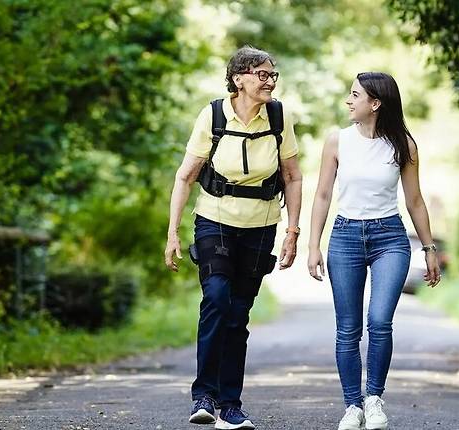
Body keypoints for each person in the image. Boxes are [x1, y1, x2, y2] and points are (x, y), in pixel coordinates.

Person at [165, 46, 302, 429]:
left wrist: (292, 231)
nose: (270, 81)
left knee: (238, 313)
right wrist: (172, 232)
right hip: (215, 218)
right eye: (262, 74)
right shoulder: (212, 115)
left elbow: (293, 176)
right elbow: (185, 176)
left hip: (261, 225)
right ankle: (204, 395)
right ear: (238, 78)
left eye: (273, 75)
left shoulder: (279, 117)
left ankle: (230, 405)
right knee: (216, 298)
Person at [307, 72, 441, 430]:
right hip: (345, 237)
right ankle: (352, 406)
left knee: (380, 321)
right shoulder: (337, 141)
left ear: (375, 103)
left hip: (390, 239)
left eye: (355, 95)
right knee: (348, 329)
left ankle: (374, 400)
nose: (348, 101)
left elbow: (414, 200)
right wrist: (313, 245)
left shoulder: (404, 146)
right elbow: (322, 195)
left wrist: (429, 248)